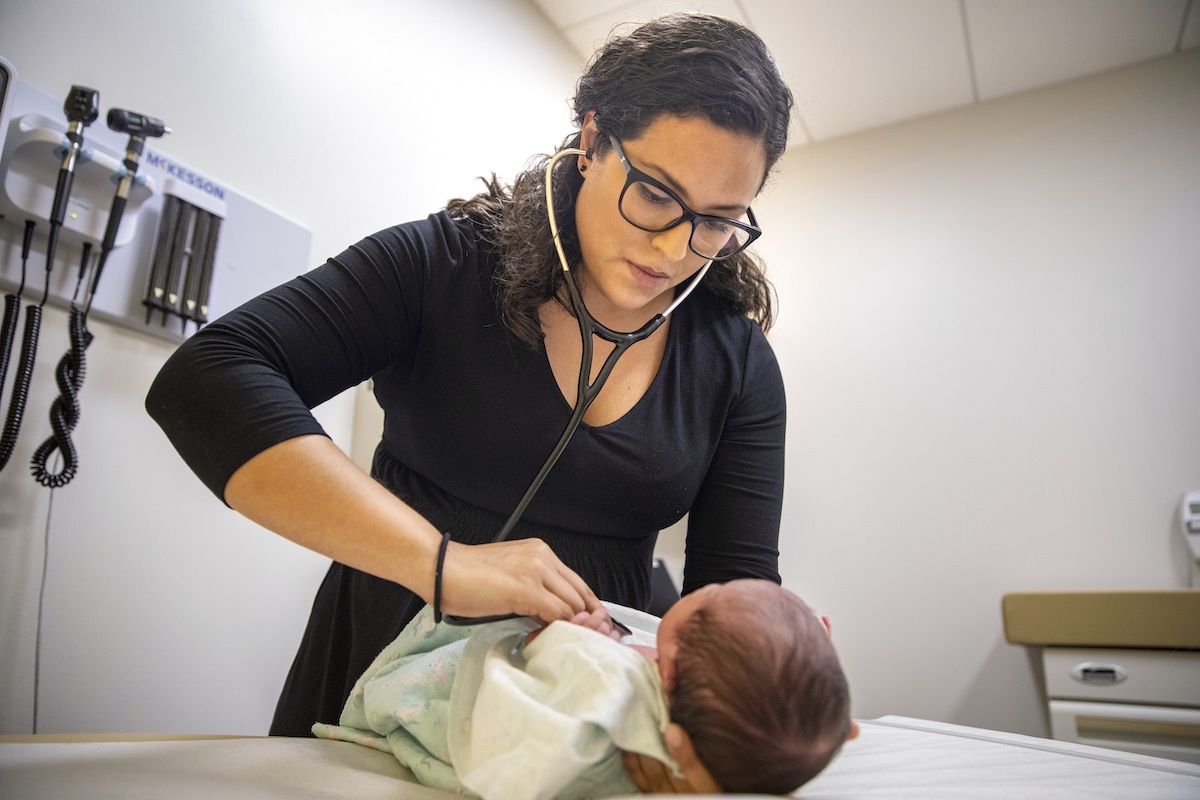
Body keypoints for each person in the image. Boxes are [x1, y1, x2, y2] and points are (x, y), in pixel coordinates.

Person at [146, 12, 794, 790]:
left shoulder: (737, 363)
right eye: (656, 195)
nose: (674, 248)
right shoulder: (444, 265)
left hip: (587, 720)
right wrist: (442, 564)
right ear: (591, 141)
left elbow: (736, 597)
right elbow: (208, 380)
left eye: (717, 222)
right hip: (386, 668)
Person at [314, 580, 856, 798]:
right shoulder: (696, 682)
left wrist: (562, 642)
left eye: (712, 592)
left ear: (669, 674)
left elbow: (556, 682)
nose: (711, 587)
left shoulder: (604, 687)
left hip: (472, 706)